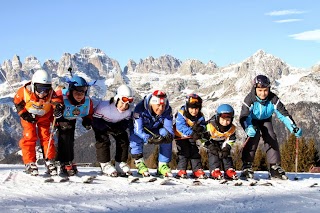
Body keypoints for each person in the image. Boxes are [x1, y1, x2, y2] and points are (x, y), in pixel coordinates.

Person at [239, 74, 302, 179]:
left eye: (265, 90)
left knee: (271, 136)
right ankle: (247, 165)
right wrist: (248, 127)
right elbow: (244, 116)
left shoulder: (273, 99)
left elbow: (283, 115)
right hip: (252, 120)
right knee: (253, 136)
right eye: (260, 90)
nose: (263, 93)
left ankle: (274, 167)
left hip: (265, 119)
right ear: (255, 89)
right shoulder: (249, 99)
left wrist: (293, 127)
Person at [13, 69, 63, 176]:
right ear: (34, 85)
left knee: (46, 137)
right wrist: (24, 114)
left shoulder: (50, 94)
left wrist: (58, 108)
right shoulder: (25, 91)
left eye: (46, 89)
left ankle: (49, 159)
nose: (43, 93)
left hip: (44, 116)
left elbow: (56, 101)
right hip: (29, 116)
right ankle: (30, 162)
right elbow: (17, 102)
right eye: (40, 89)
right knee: (29, 136)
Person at [55, 75, 94, 176]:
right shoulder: (62, 96)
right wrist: (56, 109)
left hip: (71, 119)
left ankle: (68, 160)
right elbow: (53, 102)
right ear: (71, 91)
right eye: (76, 92)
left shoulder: (87, 101)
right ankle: (62, 161)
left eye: (82, 92)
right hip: (60, 119)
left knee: (70, 139)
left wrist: (87, 121)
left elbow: (88, 113)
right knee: (63, 137)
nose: (79, 95)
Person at [129, 90, 174, 177]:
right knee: (135, 137)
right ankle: (139, 163)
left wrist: (170, 136)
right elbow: (138, 130)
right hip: (141, 130)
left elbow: (169, 127)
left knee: (166, 135)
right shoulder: (140, 108)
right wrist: (148, 138)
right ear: (151, 104)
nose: (161, 108)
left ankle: (163, 165)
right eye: (158, 105)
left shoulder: (167, 109)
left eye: (163, 105)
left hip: (155, 129)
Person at [92, 85, 134, 177]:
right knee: (103, 140)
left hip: (116, 124)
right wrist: (105, 128)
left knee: (123, 139)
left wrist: (119, 129)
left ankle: (120, 163)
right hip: (101, 123)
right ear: (117, 99)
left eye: (127, 104)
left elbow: (125, 123)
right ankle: (105, 164)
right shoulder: (104, 107)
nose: (124, 106)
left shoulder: (128, 111)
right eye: (122, 103)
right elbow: (95, 121)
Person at [174, 94, 207, 179]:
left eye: (196, 109)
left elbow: (203, 125)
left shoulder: (200, 116)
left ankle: (197, 169)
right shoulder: (181, 113)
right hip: (180, 136)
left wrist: (200, 129)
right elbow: (180, 126)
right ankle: (181, 169)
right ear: (187, 107)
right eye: (191, 108)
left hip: (192, 137)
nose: (194, 111)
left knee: (194, 151)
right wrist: (192, 133)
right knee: (184, 152)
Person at [204, 104, 238, 180]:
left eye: (228, 120)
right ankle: (215, 170)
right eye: (222, 120)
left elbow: (231, 139)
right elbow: (203, 138)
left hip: (223, 142)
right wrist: (210, 146)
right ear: (218, 117)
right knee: (213, 155)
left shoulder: (231, 128)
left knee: (226, 154)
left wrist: (226, 148)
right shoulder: (210, 126)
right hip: (211, 142)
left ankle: (229, 169)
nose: (225, 122)